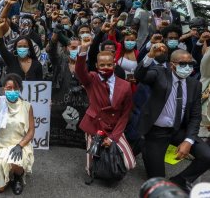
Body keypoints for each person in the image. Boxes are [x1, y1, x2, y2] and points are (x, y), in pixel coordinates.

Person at [135, 47, 210, 193]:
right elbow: (140, 76)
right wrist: (149, 56)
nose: (187, 67)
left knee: (207, 156)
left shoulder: (195, 84)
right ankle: (146, 147)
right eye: (183, 63)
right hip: (156, 133)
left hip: (178, 130)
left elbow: (195, 116)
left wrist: (188, 141)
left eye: (190, 63)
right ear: (172, 65)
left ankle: (180, 181)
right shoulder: (159, 73)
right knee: (158, 181)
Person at [76, 38, 136, 182]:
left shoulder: (125, 85)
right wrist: (83, 50)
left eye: (109, 64)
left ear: (114, 65)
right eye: (102, 65)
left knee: (129, 163)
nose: (106, 67)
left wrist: (113, 137)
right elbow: (80, 71)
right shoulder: (92, 79)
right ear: (96, 66)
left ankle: (112, 164)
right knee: (92, 170)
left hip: (114, 127)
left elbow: (125, 113)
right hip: (94, 125)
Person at [0, 71, 34, 195]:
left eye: (15, 88)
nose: (12, 91)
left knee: (15, 161)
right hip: (0, 146)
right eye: (9, 88)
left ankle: (18, 176)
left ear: (20, 89)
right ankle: (6, 175)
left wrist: (20, 145)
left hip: (18, 145)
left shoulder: (27, 106)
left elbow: (31, 131)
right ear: (4, 89)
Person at [48, 32, 88, 148]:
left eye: (79, 48)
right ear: (66, 48)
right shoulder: (59, 62)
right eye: (73, 47)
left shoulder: (86, 65)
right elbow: (51, 51)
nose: (76, 50)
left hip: (79, 102)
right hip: (60, 100)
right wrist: (55, 37)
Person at [0, 3, 43, 81]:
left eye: (25, 46)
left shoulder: (37, 64)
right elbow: (0, 44)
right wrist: (8, 5)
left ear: (30, 48)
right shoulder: (10, 60)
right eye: (20, 46)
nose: (22, 48)